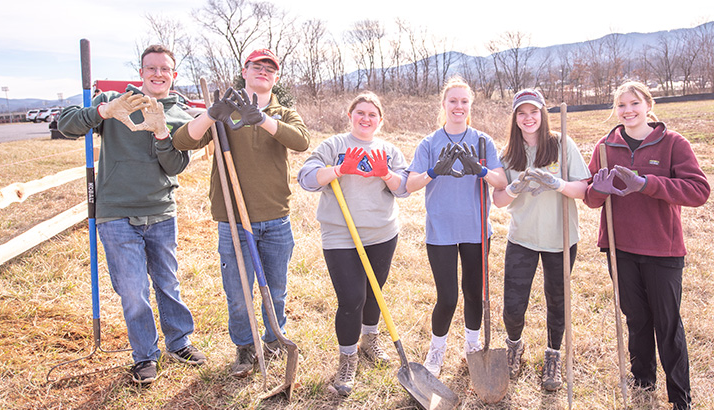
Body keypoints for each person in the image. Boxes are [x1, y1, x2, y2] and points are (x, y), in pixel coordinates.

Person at [58, 44, 206, 385]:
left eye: (164, 69)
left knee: (168, 283)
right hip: (116, 212)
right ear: (140, 73)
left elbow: (176, 164)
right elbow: (66, 124)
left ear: (173, 75)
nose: (157, 74)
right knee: (133, 289)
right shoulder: (115, 98)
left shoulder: (181, 114)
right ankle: (144, 357)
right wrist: (105, 111)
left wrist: (161, 132)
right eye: (150, 68)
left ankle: (179, 343)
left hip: (160, 210)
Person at [172, 48, 310, 378]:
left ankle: (274, 341)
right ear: (244, 71)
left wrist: (263, 120)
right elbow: (181, 141)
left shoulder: (284, 113)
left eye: (270, 68)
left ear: (275, 78)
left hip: (276, 217)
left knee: (275, 291)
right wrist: (210, 114)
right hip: (232, 219)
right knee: (238, 294)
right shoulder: (224, 112)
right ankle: (246, 348)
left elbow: (302, 141)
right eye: (256, 66)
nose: (263, 71)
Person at [583, 81, 709, 410]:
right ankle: (643, 385)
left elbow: (699, 191)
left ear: (648, 105)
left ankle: (680, 397)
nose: (628, 110)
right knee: (636, 319)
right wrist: (600, 188)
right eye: (621, 105)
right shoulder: (605, 148)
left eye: (634, 103)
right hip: (620, 248)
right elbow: (591, 199)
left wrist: (646, 183)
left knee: (667, 324)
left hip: (662, 249)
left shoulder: (672, 144)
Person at [297, 92, 408, 396]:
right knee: (351, 299)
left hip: (382, 233)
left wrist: (385, 173)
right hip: (341, 234)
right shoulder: (334, 146)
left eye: (372, 114)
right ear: (350, 116)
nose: (365, 118)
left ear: (380, 120)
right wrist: (339, 170)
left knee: (375, 291)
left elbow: (405, 189)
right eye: (360, 112)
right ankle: (348, 358)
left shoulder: (388, 150)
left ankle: (370, 340)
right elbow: (305, 178)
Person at [405, 76, 507, 377]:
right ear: (444, 104)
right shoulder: (429, 143)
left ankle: (472, 347)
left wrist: (482, 170)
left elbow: (502, 181)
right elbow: (410, 184)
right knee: (447, 297)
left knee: (474, 293)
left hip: (476, 230)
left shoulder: (482, 141)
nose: (458, 106)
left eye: (464, 101)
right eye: (453, 101)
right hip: (441, 231)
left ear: (470, 105)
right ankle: (436, 351)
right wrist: (434, 172)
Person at [491, 89, 590, 391]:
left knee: (557, 301)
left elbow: (584, 189)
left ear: (543, 114)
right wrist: (515, 187)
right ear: (515, 118)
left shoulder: (561, 144)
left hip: (560, 238)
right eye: (522, 113)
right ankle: (514, 346)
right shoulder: (508, 152)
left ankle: (553, 354)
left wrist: (558, 183)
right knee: (513, 305)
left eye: (534, 112)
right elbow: (498, 200)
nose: (528, 118)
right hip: (522, 238)